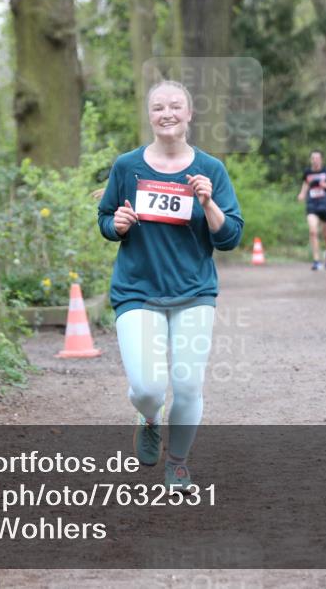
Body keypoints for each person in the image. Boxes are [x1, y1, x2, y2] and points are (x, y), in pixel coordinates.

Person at [97, 80, 244, 491]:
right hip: (136, 290)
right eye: (159, 107)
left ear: (189, 114)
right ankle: (148, 417)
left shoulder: (210, 169)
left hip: (194, 292)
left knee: (187, 384)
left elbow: (229, 237)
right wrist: (116, 224)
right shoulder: (127, 167)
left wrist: (208, 204)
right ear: (150, 115)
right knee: (146, 388)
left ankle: (177, 462)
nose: (167, 113)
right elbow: (107, 218)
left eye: (175, 106)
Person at [297, 150, 326, 270]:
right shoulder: (307, 172)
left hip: (325, 205)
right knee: (313, 231)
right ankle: (316, 260)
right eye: (313, 158)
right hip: (312, 205)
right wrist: (302, 194)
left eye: (317, 158)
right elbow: (305, 184)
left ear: (321, 160)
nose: (315, 160)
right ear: (311, 160)